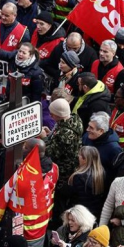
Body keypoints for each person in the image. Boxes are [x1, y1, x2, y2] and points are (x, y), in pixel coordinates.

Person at [41, 98, 83, 228]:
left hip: (63, 172)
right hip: (68, 167)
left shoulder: (66, 133)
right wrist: (51, 134)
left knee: (59, 201)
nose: (51, 116)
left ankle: (58, 225)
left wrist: (44, 138)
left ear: (59, 115)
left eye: (52, 114)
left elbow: (51, 152)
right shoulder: (74, 120)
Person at [82, 111, 122, 184]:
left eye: (91, 128)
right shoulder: (87, 137)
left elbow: (115, 173)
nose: (87, 129)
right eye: (88, 126)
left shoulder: (114, 149)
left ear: (101, 131)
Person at [69, 147, 105, 218]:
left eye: (79, 155)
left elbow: (73, 196)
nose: (78, 157)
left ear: (85, 159)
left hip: (80, 213)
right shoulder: (101, 173)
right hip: (95, 213)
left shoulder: (78, 177)